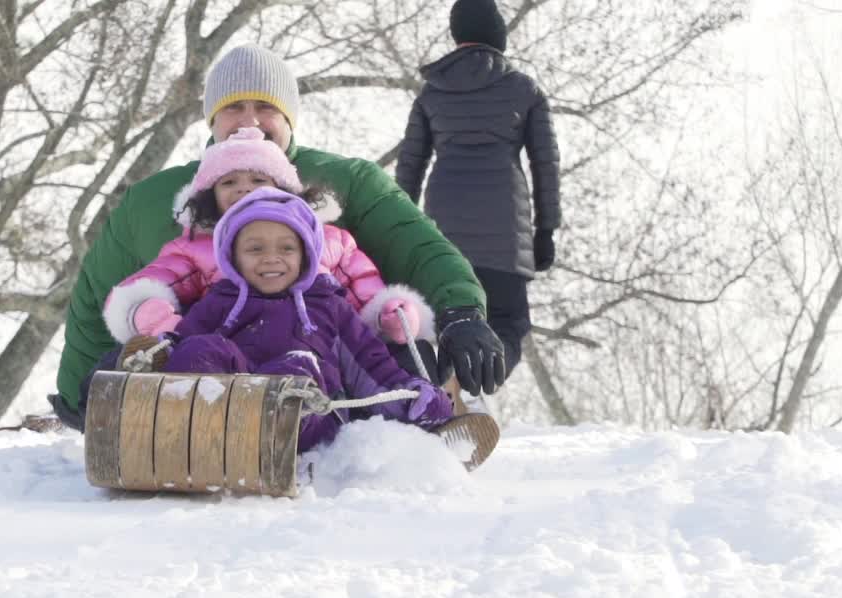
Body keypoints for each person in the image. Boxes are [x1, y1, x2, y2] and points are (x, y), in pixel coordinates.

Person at [51, 44, 506, 430]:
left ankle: (417, 428)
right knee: (138, 361)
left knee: (404, 360)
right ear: (212, 119)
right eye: (233, 107)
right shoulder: (156, 201)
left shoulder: (347, 183)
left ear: (289, 117)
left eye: (266, 106)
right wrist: (80, 396)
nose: (250, 119)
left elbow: (418, 248)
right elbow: (97, 294)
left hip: (328, 353)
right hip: (207, 367)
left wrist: (460, 311)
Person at [129, 187, 474, 455]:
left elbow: (372, 367)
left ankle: (262, 441)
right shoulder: (222, 299)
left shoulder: (328, 305)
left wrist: (414, 398)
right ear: (232, 256)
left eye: (286, 248)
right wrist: (154, 358)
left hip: (305, 414)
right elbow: (184, 341)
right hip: (231, 409)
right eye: (255, 249)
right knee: (201, 348)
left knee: (296, 370)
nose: (271, 259)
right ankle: (187, 436)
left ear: (306, 253)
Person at [102, 126, 434, 353]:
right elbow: (150, 282)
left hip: (324, 346)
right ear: (209, 196)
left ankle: (419, 421)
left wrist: (388, 313)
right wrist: (152, 313)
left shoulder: (328, 240)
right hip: (237, 351)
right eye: (229, 182)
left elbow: (363, 284)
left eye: (258, 178)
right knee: (126, 361)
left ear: (284, 189)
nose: (244, 188)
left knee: (402, 354)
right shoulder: (196, 247)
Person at [395, 0, 562, 380]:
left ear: (457, 37)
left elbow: (410, 168)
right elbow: (545, 165)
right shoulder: (524, 89)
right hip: (505, 230)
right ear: (498, 35)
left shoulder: (431, 94)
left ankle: (449, 389)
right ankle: (473, 387)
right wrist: (546, 230)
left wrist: (399, 237)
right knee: (507, 322)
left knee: (448, 319)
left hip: (442, 233)